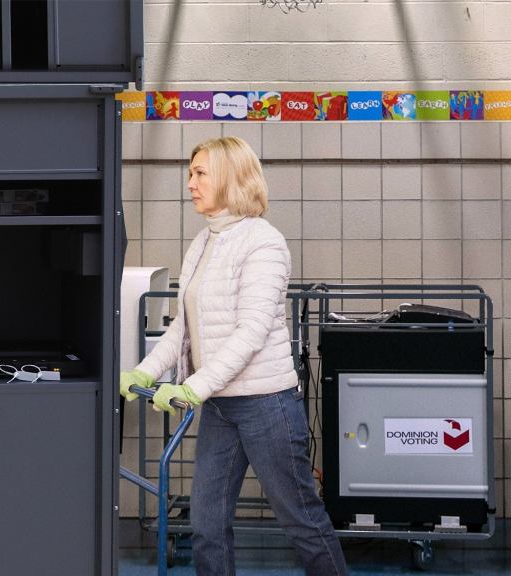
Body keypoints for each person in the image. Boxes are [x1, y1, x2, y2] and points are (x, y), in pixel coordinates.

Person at [119, 136, 348, 576]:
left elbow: (251, 332)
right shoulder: (203, 241)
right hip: (221, 406)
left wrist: (191, 388)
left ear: (228, 177)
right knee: (206, 525)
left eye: (200, 173)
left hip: (266, 406)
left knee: (300, 519)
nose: (190, 183)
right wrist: (142, 373)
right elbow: (181, 329)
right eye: (190, 173)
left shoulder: (263, 242)